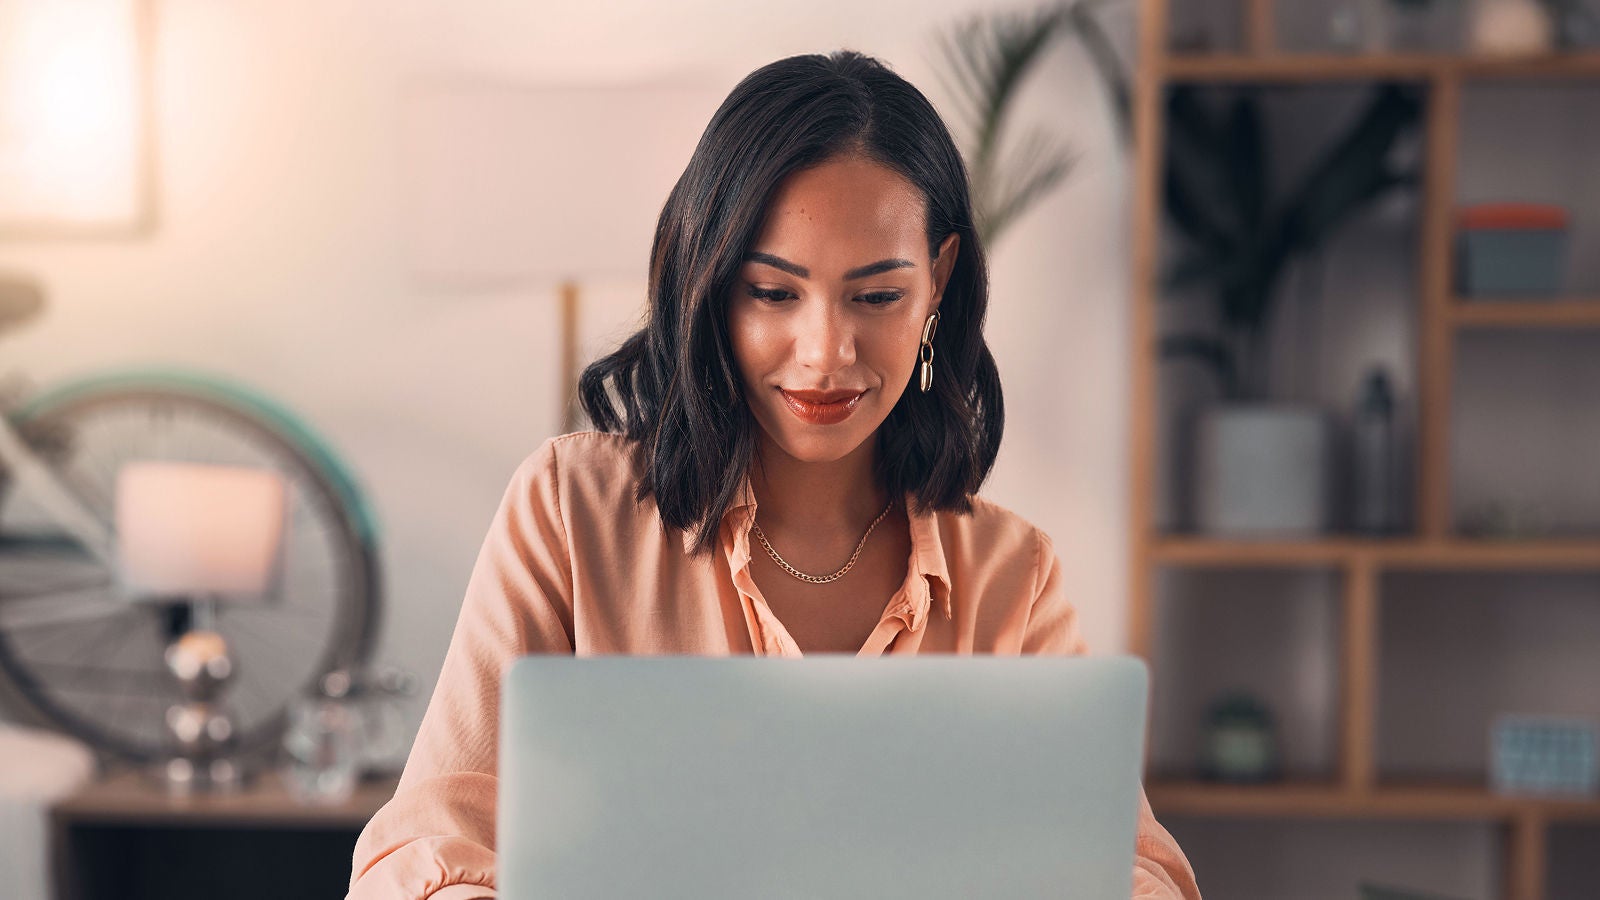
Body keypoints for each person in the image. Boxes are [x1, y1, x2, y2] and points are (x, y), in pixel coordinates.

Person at [348, 50, 1201, 899]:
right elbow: (421, 853)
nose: (826, 354)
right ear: (711, 285)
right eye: (773, 292)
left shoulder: (1011, 575)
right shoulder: (570, 514)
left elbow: (1133, 868)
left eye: (876, 297)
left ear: (937, 282)